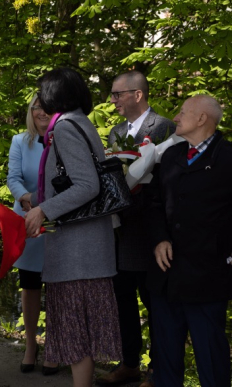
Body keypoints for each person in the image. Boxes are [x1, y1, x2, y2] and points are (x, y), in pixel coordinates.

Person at [24, 68, 121, 387]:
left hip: (78, 252)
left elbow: (87, 185)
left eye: (42, 92)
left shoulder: (65, 127)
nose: (38, 99)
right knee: (82, 330)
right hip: (87, 248)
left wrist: (43, 209)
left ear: (54, 95)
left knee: (76, 329)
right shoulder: (79, 121)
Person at [97, 71, 175, 387]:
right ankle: (129, 363)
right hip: (122, 230)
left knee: (156, 302)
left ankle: (158, 370)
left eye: (117, 94)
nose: (112, 100)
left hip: (154, 231)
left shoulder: (165, 127)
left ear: (137, 94)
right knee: (123, 300)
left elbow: (169, 179)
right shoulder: (116, 132)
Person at [147, 95, 231, 387]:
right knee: (166, 357)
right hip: (166, 277)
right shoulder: (171, 156)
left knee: (211, 358)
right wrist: (159, 239)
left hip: (207, 277)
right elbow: (155, 203)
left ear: (201, 119)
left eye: (183, 113)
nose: (176, 117)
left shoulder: (228, 157)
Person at [7, 96, 58, 376]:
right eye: (36, 107)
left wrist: (46, 206)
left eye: (46, 107)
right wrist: (26, 198)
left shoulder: (62, 140)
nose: (41, 112)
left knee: (58, 285)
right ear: (30, 112)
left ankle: (54, 345)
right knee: (30, 284)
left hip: (57, 219)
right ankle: (30, 344)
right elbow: (13, 177)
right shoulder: (19, 141)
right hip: (26, 219)